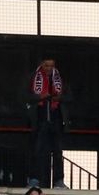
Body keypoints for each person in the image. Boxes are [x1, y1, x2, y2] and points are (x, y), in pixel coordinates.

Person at [30, 57, 65, 187]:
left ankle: (58, 180)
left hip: (56, 117)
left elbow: (68, 96)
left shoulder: (59, 77)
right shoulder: (34, 77)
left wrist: (59, 97)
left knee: (57, 150)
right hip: (40, 117)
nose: (49, 68)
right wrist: (39, 97)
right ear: (41, 65)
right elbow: (25, 96)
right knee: (38, 149)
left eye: (51, 66)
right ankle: (34, 179)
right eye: (46, 65)